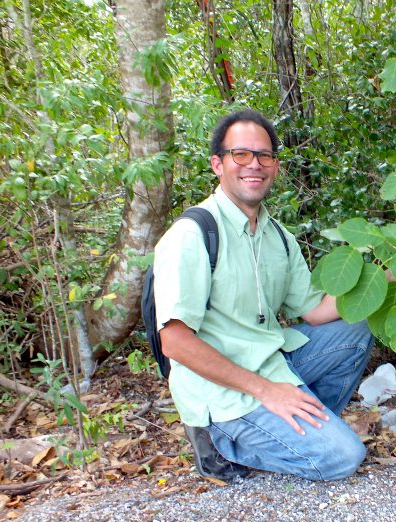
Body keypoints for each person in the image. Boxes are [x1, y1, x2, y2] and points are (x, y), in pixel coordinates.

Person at [153, 109, 373, 481]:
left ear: (275, 166)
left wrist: (383, 280)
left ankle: (299, 423)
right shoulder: (192, 234)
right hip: (223, 389)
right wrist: (267, 392)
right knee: (342, 458)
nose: (254, 164)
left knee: (357, 328)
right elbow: (174, 342)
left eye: (264, 155)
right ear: (217, 164)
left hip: (271, 364)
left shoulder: (279, 237)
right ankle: (218, 445)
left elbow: (316, 311)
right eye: (240, 154)